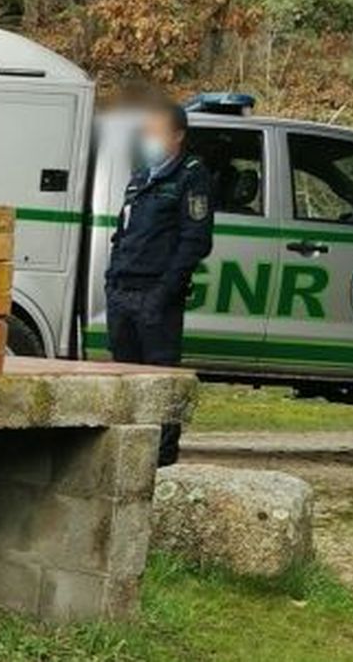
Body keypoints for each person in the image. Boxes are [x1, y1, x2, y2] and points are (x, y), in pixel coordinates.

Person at [105, 99, 214, 467]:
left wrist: (163, 293)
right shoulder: (141, 177)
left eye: (156, 131)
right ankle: (125, 458)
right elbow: (122, 233)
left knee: (161, 383)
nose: (148, 138)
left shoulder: (191, 177)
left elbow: (195, 242)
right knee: (126, 380)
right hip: (122, 293)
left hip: (157, 297)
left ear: (177, 135)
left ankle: (162, 463)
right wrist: (111, 281)